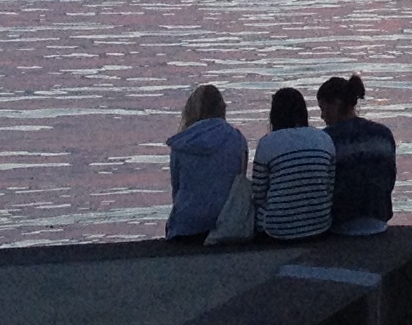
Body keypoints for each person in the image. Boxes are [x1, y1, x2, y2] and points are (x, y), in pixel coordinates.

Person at [250, 86, 338, 243]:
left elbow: (259, 195)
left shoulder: (267, 143)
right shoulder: (324, 139)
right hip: (320, 225)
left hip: (277, 230)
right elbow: (329, 187)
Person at [164, 84, 247, 245]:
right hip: (226, 222)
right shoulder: (237, 139)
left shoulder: (181, 143)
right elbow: (240, 183)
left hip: (186, 224)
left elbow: (177, 188)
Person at [316, 72, 396, 236]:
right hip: (379, 220)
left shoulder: (326, 139)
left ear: (336, 104)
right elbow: (389, 179)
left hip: (341, 224)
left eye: (323, 108)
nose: (322, 116)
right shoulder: (383, 134)